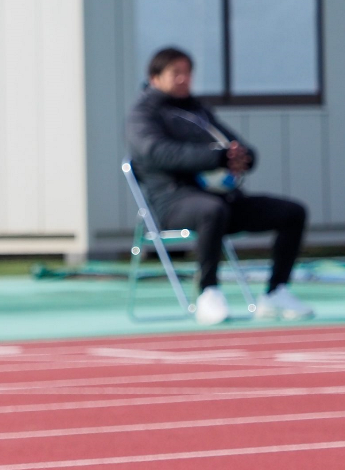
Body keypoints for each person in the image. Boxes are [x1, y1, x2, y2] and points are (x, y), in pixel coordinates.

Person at [125, 47, 314, 325]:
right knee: (211, 210)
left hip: (224, 201)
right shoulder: (143, 115)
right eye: (176, 72)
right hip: (173, 203)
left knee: (292, 212)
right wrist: (215, 158)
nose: (184, 78)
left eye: (188, 72)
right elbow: (158, 153)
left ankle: (276, 293)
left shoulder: (198, 111)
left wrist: (242, 158)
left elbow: (234, 146)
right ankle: (208, 292)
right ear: (155, 78)